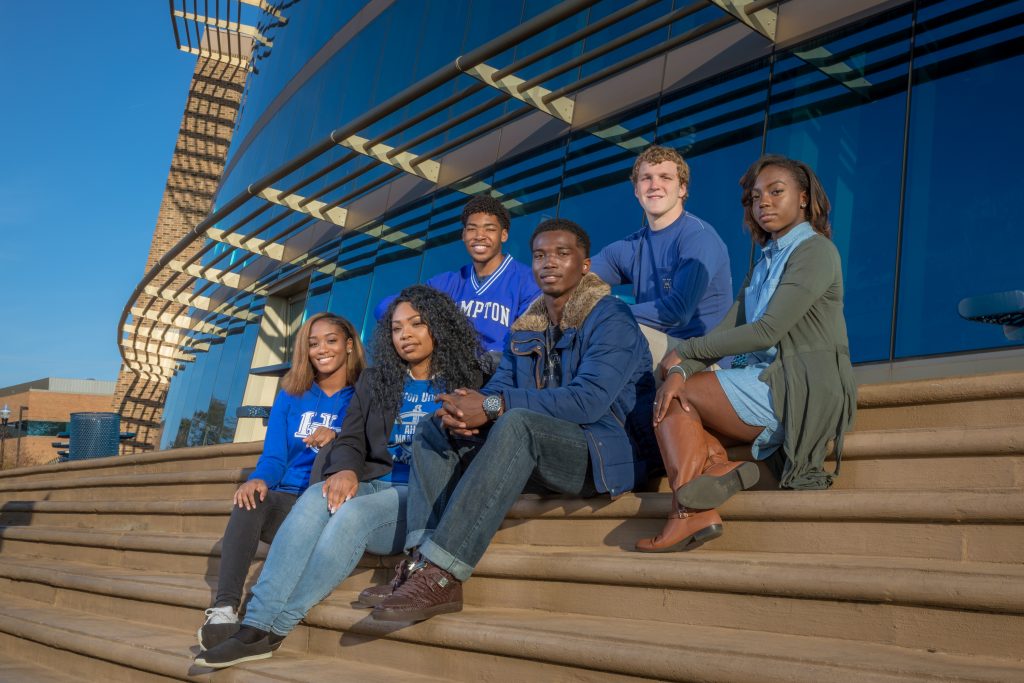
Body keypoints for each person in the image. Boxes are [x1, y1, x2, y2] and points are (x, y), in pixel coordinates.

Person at [365, 218, 657, 623]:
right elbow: (499, 388)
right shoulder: (525, 328)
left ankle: (443, 574)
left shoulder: (610, 317)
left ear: (585, 265)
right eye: (539, 255)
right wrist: (463, 409)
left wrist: (491, 406)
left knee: (517, 423)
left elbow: (587, 402)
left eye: (562, 253)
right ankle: (419, 562)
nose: (548, 262)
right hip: (539, 452)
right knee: (435, 426)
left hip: (602, 452)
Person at [195, 285, 483, 668]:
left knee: (352, 514)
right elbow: (351, 437)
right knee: (315, 496)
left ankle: (277, 627)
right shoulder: (377, 380)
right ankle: (254, 623)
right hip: (376, 480)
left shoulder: (466, 378)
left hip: (418, 497)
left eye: (416, 324)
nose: (406, 335)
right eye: (397, 328)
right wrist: (345, 468)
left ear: (439, 327)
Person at [634, 155, 856, 553]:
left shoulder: (815, 252)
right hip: (762, 381)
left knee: (680, 394)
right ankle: (711, 475)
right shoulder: (765, 263)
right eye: (755, 197)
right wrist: (682, 366)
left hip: (799, 385)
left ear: (803, 198)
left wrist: (685, 356)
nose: (763, 202)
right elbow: (728, 328)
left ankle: (688, 509)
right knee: (673, 391)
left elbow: (767, 330)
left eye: (776, 192)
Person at [197, 312, 365, 648]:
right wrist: (258, 479)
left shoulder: (362, 394)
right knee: (249, 501)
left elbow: (368, 445)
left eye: (331, 340)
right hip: (288, 499)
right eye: (313, 344)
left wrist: (336, 436)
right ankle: (225, 608)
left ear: (349, 345)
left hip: (328, 500)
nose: (322, 349)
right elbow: (274, 456)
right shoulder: (291, 395)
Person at [590, 145, 733, 380]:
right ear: (636, 190)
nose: (654, 185)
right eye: (646, 178)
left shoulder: (699, 237)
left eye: (665, 177)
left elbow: (678, 311)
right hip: (654, 350)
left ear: (682, 188)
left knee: (612, 329)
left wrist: (607, 311)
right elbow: (573, 277)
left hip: (702, 364)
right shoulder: (632, 246)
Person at [374, 195, 540, 359]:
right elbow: (383, 309)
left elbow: (526, 342)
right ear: (463, 234)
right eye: (472, 229)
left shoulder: (529, 281)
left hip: (498, 372)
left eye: (489, 229)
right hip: (451, 370)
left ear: (503, 235)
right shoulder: (447, 284)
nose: (479, 236)